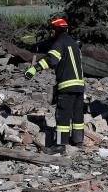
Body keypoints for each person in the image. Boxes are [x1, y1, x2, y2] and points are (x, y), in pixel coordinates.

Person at [24, 17, 85, 153]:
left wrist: (34, 69)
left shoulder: (59, 42)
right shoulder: (73, 43)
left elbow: (51, 60)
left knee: (62, 115)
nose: (50, 34)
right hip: (79, 85)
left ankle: (60, 145)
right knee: (77, 114)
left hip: (67, 85)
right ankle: (78, 140)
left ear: (55, 30)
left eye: (51, 31)